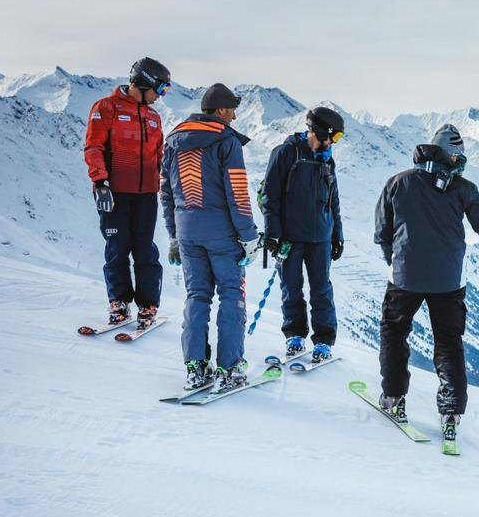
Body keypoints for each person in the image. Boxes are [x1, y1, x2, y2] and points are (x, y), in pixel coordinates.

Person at [373, 125, 479, 444]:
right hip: (448, 280)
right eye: (458, 157)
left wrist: (395, 258)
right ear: (448, 154)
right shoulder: (463, 188)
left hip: (404, 278)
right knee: (448, 342)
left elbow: (382, 229)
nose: (460, 163)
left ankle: (393, 397)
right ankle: (451, 411)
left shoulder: (398, 183)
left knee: (395, 333)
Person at [160, 83, 259, 391]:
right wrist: (249, 237)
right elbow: (238, 193)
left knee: (197, 296)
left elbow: (165, 191)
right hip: (222, 234)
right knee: (231, 295)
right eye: (231, 110)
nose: (234, 116)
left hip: (188, 234)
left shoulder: (174, 140)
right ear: (219, 111)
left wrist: (175, 234)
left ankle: (195, 366)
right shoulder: (226, 141)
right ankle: (230, 368)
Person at [83, 57, 172, 328]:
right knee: (117, 248)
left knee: (145, 249)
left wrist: (165, 184)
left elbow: (160, 157)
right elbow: (93, 147)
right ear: (144, 82)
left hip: (145, 194)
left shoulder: (153, 117)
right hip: (114, 193)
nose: (161, 96)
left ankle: (148, 304)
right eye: (161, 89)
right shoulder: (106, 108)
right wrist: (100, 183)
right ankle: (119, 302)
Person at [262, 106, 346, 363]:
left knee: (322, 290)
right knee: (292, 287)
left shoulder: (326, 159)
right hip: (290, 236)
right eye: (335, 137)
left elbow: (334, 200)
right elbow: (270, 197)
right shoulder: (286, 154)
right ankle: (294, 335)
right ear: (321, 131)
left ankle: (323, 341)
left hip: (321, 236)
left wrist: (337, 234)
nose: (335, 142)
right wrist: (273, 234)